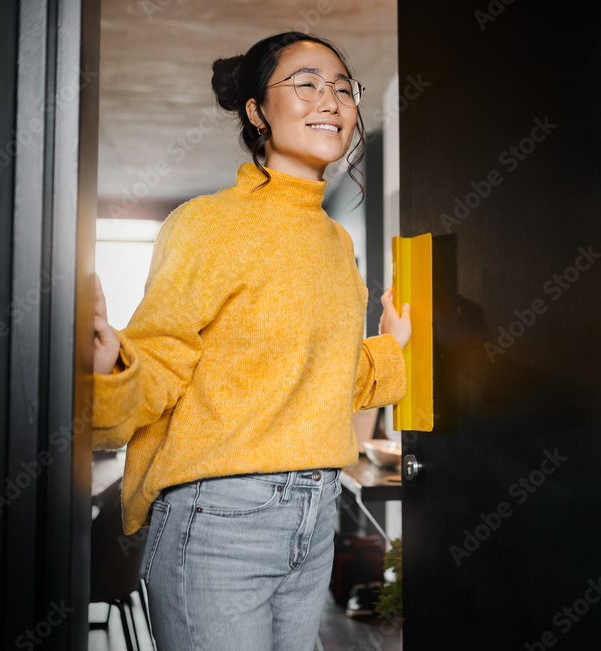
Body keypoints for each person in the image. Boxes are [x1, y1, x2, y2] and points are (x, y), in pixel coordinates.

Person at [91, 31, 411, 651]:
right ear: (257, 111)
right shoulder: (207, 223)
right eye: (308, 84)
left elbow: (320, 381)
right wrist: (114, 367)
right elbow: (161, 361)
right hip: (219, 519)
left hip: (317, 512)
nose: (332, 100)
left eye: (344, 88)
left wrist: (390, 346)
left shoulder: (333, 242)